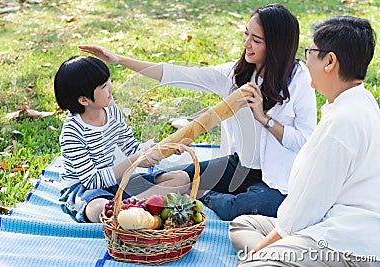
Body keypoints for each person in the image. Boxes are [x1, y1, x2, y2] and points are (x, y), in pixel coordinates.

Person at [79, 3, 317, 220]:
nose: (246, 44)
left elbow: (305, 141)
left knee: (242, 207)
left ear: (276, 46)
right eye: (246, 34)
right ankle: (116, 209)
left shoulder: (299, 80)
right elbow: (177, 75)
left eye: (256, 40)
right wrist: (118, 59)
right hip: (239, 167)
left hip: (279, 181)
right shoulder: (238, 74)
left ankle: (204, 195)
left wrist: (264, 119)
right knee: (174, 179)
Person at [229, 16, 379, 266]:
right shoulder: (362, 101)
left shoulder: (341, 124)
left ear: (329, 61)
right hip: (329, 222)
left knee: (256, 262)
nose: (305, 60)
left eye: (310, 52)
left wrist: (254, 257)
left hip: (345, 242)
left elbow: (303, 213)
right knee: (244, 223)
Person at [54, 56, 190, 223]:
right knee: (99, 209)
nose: (110, 87)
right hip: (83, 189)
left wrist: (164, 149)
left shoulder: (111, 110)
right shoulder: (72, 133)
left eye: (108, 81)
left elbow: (130, 146)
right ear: (84, 100)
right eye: (103, 86)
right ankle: (130, 211)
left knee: (181, 179)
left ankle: (127, 212)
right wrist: (136, 160)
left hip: (115, 182)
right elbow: (92, 181)